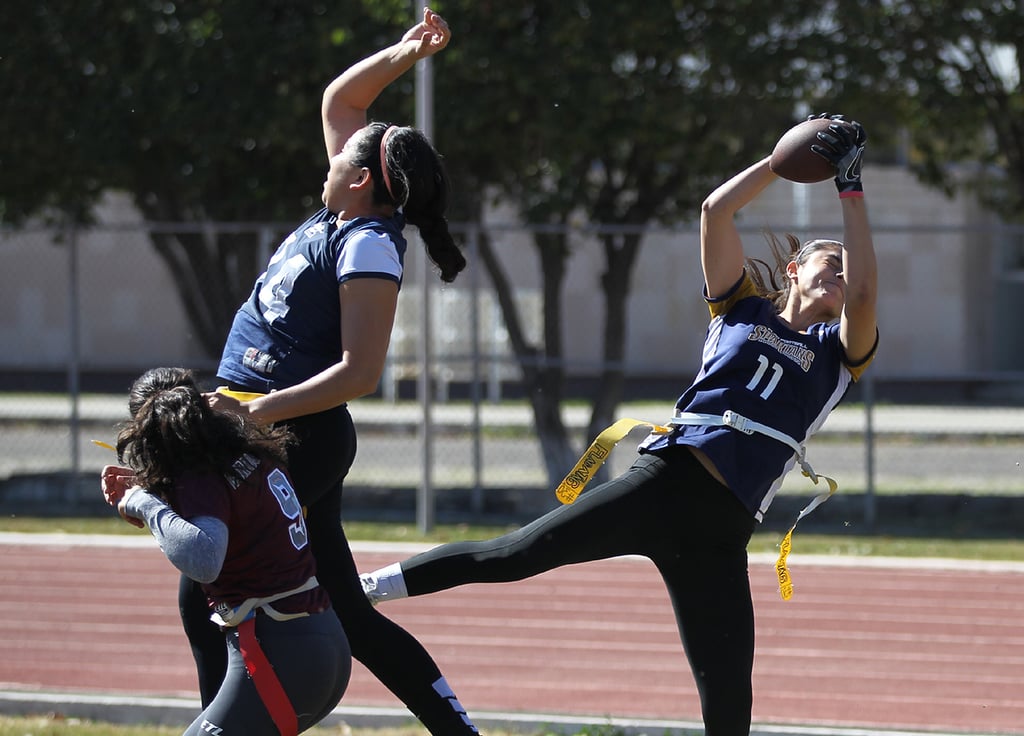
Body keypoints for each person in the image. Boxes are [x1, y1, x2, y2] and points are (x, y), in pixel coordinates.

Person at [358, 114, 878, 736]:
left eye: (847, 274)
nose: (841, 277)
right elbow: (715, 211)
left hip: (723, 530)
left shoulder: (838, 355)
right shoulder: (740, 307)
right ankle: (359, 590)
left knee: (729, 704)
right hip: (664, 483)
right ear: (793, 269)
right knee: (514, 554)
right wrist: (778, 162)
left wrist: (850, 188)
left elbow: (868, 295)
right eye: (829, 263)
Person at [192, 8, 479, 734]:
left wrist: (252, 416)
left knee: (208, 580)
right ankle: (455, 728)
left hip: (294, 437)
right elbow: (340, 103)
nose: (327, 157)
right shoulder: (344, 214)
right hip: (270, 427)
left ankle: (227, 725)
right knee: (346, 609)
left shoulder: (369, 248)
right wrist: (409, 50)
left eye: (338, 158)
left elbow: (360, 373)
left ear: (357, 180)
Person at [100, 367, 351, 736]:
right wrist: (160, 496)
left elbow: (203, 559)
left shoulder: (201, 473)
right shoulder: (251, 452)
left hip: (281, 648)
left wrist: (143, 503)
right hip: (320, 638)